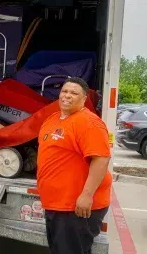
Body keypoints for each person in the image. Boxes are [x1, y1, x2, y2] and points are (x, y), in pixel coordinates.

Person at [37, 77, 112, 254]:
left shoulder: (88, 122)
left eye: (74, 93)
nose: (67, 96)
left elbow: (101, 159)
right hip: (56, 204)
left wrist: (86, 195)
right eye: (64, 91)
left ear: (84, 98)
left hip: (75, 208)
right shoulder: (53, 119)